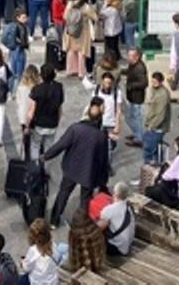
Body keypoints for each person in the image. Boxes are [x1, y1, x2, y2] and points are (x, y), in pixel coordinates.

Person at [43, 98, 111, 229]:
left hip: (72, 168)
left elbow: (60, 145)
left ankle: (54, 220)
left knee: (63, 193)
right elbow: (103, 159)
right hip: (89, 171)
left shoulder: (76, 128)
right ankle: (82, 224)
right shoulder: (101, 136)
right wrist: (103, 179)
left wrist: (45, 156)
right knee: (85, 199)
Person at [24, 64, 63, 161]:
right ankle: (46, 169)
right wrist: (58, 120)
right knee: (49, 147)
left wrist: (27, 126)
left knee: (35, 146)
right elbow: (60, 108)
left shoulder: (37, 89)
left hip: (39, 123)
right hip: (52, 122)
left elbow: (31, 111)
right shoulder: (59, 88)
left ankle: (35, 168)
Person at [148, 136, 179, 209]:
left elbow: (167, 176)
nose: (174, 146)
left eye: (175, 144)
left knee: (158, 186)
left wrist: (158, 174)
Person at [95, 182, 135, 256]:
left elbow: (99, 227)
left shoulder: (109, 210)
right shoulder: (129, 207)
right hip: (127, 244)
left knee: (95, 232)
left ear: (115, 194)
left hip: (117, 248)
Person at [119, 48, 147, 148]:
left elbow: (144, 83)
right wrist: (121, 71)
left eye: (130, 55)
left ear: (137, 57)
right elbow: (129, 72)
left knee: (134, 118)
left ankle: (139, 138)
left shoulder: (139, 68)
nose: (128, 57)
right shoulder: (133, 65)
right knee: (131, 117)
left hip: (137, 97)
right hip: (132, 96)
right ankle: (137, 134)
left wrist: (131, 86)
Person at [141, 71, 170, 166]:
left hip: (157, 127)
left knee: (148, 150)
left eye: (155, 82)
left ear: (161, 82)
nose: (153, 84)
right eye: (152, 81)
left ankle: (147, 172)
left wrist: (151, 127)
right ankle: (157, 169)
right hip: (153, 125)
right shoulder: (154, 90)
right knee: (156, 149)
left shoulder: (162, 95)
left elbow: (160, 114)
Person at [67, 208, 106, 274]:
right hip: (98, 265)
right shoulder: (96, 230)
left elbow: (73, 257)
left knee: (61, 248)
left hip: (81, 270)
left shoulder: (74, 234)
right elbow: (102, 249)